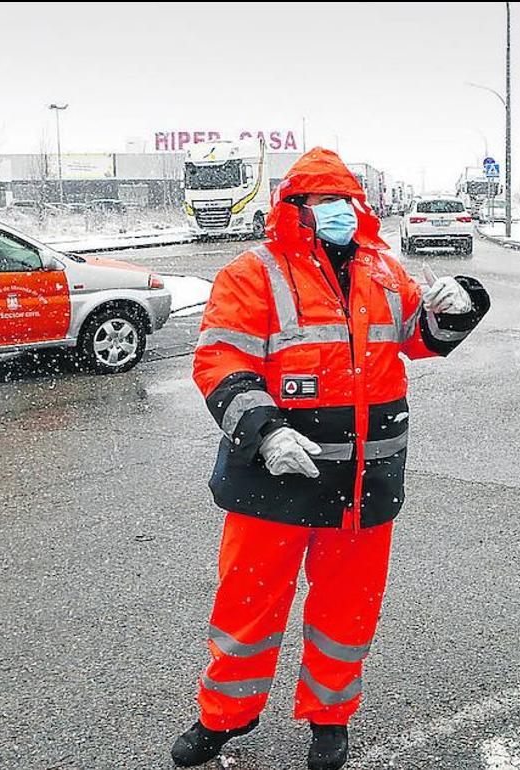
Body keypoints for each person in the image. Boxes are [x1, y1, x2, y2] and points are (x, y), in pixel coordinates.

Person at [171, 147, 490, 770]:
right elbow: (220, 362)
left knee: (347, 613)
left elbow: (421, 341)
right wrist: (265, 432)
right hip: (274, 480)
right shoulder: (252, 274)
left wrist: (460, 304)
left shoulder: (382, 271)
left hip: (364, 484)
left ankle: (329, 718)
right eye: (324, 200)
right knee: (248, 607)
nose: (339, 211)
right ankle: (223, 719)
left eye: (346, 200)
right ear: (295, 208)